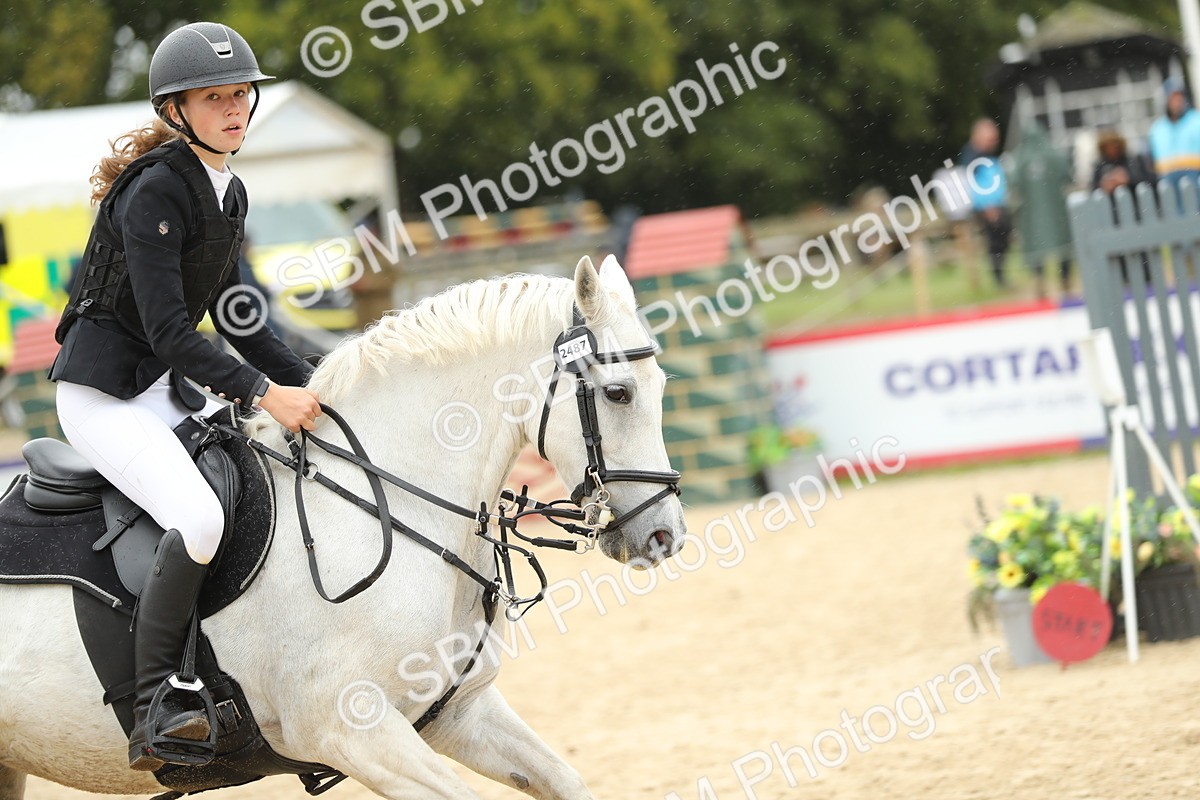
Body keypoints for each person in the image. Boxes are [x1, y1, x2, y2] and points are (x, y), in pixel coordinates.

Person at [47, 21, 322, 771]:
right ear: (177, 110)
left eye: (241, 95)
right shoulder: (155, 192)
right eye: (215, 98)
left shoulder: (226, 190)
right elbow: (172, 330)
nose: (234, 110)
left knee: (260, 482)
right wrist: (266, 394)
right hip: (104, 395)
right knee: (198, 517)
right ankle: (157, 701)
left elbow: (242, 321)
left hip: (164, 389)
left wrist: (321, 383)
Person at [1009, 121, 1075, 297]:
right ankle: (1065, 280)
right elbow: (1068, 176)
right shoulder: (1055, 155)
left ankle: (1040, 281)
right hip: (1056, 212)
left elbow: (1014, 185)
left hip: (1033, 215)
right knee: (1064, 245)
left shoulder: (1019, 159)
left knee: (1036, 248)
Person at [960, 118, 1011, 288]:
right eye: (991, 138)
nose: (994, 142)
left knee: (1003, 240)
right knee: (995, 242)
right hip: (987, 208)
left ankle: (1001, 276)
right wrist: (987, 205)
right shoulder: (972, 157)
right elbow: (972, 185)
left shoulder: (985, 155)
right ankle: (999, 278)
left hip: (996, 204)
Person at [1148, 76, 1200, 192]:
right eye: (1172, 98)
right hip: (1168, 180)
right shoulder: (1157, 128)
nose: (1176, 102)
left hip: (1195, 176)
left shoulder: (1196, 120)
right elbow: (1152, 159)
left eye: (1179, 97)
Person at [1091, 128, 1154, 195]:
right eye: (1107, 147)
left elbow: (1148, 180)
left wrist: (1127, 180)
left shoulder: (1133, 161)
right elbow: (1094, 189)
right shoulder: (1100, 166)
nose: (1111, 150)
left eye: (1114, 145)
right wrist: (1104, 185)